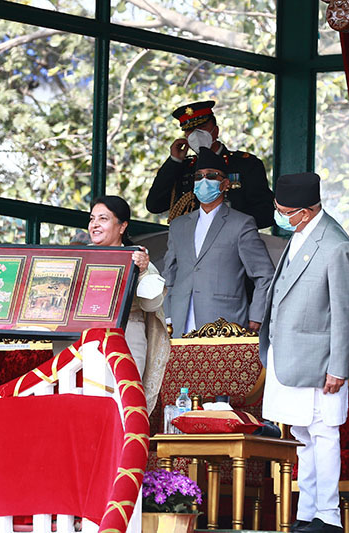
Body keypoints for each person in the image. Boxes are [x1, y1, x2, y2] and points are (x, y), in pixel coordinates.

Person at [260, 172, 349, 533]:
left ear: (305, 211)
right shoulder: (301, 234)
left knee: (324, 433)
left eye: (283, 210)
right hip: (291, 358)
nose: (279, 215)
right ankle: (307, 512)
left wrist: (338, 367)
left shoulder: (335, 245)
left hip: (321, 362)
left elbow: (345, 313)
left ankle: (328, 516)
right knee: (302, 436)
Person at [163, 148, 274, 337]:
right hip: (180, 323)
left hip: (226, 324)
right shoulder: (178, 225)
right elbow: (170, 274)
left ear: (225, 184)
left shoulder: (241, 223)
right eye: (198, 177)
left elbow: (265, 274)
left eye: (211, 176)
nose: (204, 181)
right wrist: (167, 314)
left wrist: (256, 315)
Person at [88, 195, 170, 414]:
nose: (95, 224)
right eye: (92, 219)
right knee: (87, 406)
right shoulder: (82, 256)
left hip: (127, 337)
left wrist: (142, 270)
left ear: (122, 226)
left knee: (122, 406)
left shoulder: (137, 258)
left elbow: (152, 304)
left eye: (103, 219)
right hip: (85, 339)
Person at [146, 100, 274, 228]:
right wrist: (174, 161)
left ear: (216, 131)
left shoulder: (245, 164)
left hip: (232, 240)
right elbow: (154, 205)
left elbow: (266, 213)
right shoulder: (183, 167)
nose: (196, 134)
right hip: (188, 240)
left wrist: (226, 224)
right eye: (190, 130)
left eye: (201, 128)